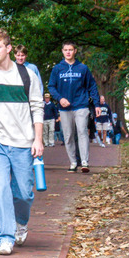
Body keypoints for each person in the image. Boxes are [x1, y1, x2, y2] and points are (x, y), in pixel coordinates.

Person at [0, 29, 44, 256]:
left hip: (24, 142)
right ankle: (5, 236)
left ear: (8, 48)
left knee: (23, 192)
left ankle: (21, 222)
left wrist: (38, 140)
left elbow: (37, 108)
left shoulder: (26, 76)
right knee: (0, 188)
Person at [48, 41, 100, 173]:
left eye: (70, 50)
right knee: (68, 135)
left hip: (81, 105)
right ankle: (72, 162)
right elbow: (51, 86)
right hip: (64, 107)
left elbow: (92, 86)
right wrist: (60, 98)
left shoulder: (83, 68)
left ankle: (84, 161)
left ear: (75, 51)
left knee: (82, 131)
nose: (68, 52)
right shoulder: (57, 69)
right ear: (62, 51)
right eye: (65, 50)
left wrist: (97, 104)